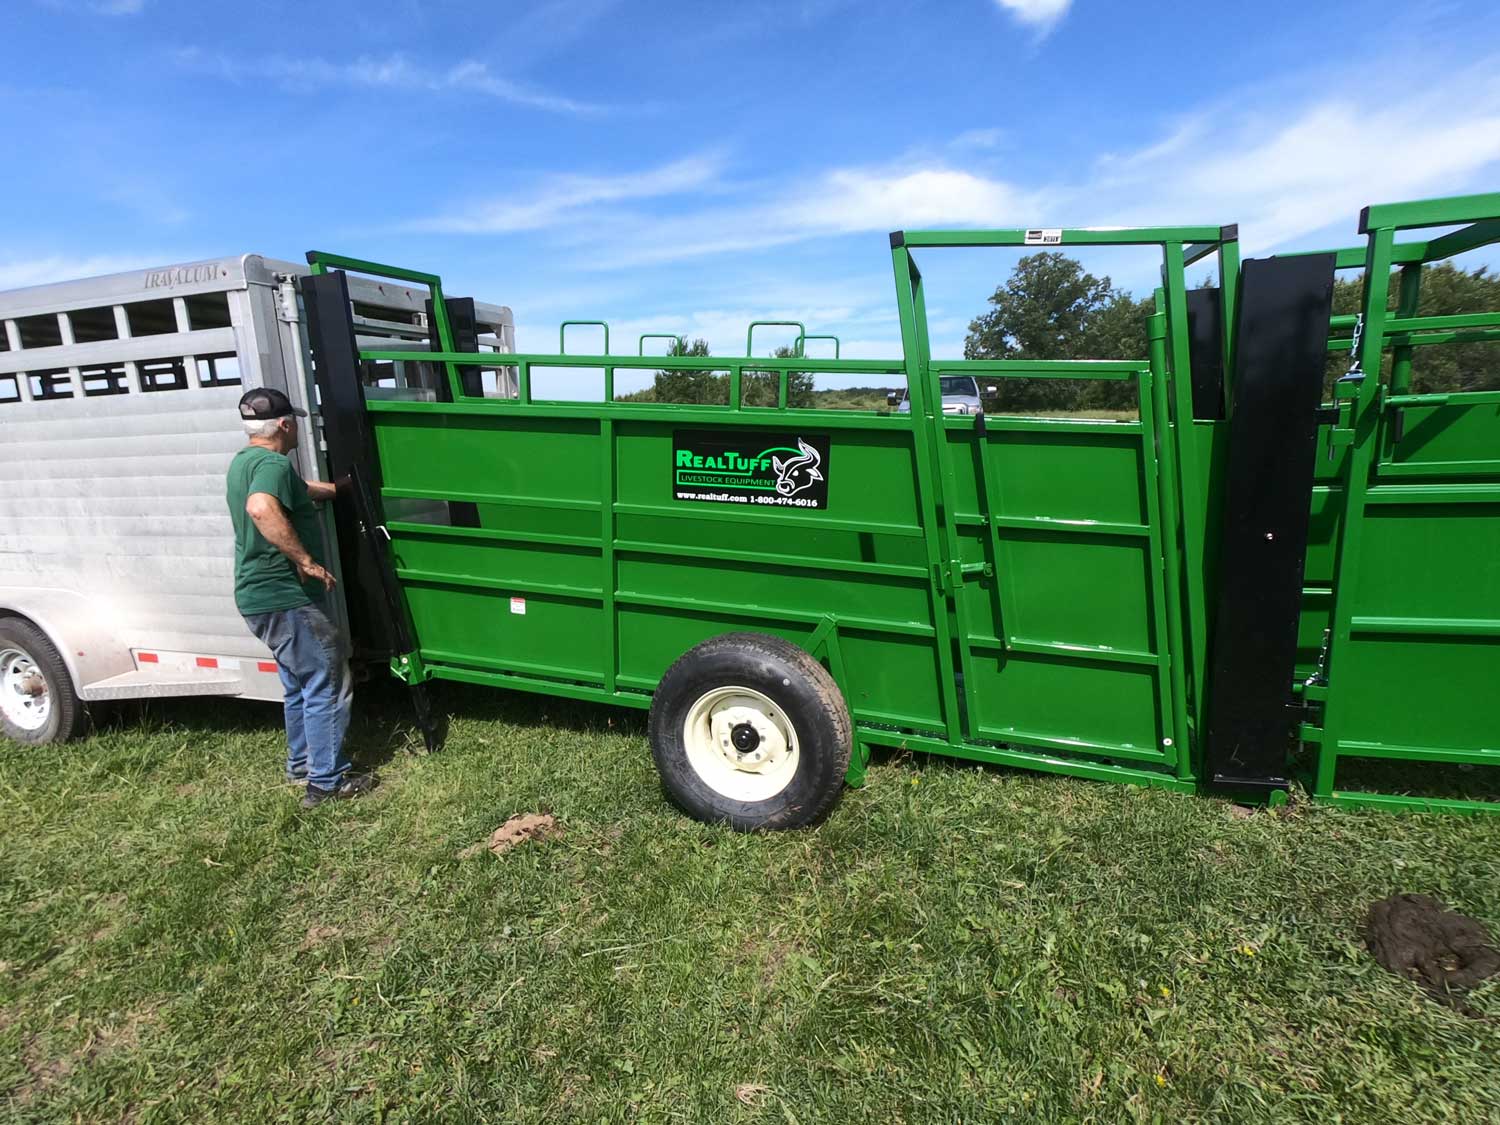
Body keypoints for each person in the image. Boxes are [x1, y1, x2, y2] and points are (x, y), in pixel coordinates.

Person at [226, 387, 374, 809]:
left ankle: (302, 764)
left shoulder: (245, 462)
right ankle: (326, 783)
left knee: (297, 682)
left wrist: (337, 489)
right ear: (286, 426)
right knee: (327, 681)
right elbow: (261, 507)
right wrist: (305, 560)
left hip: (257, 596)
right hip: (286, 595)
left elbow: (297, 489)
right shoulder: (272, 464)